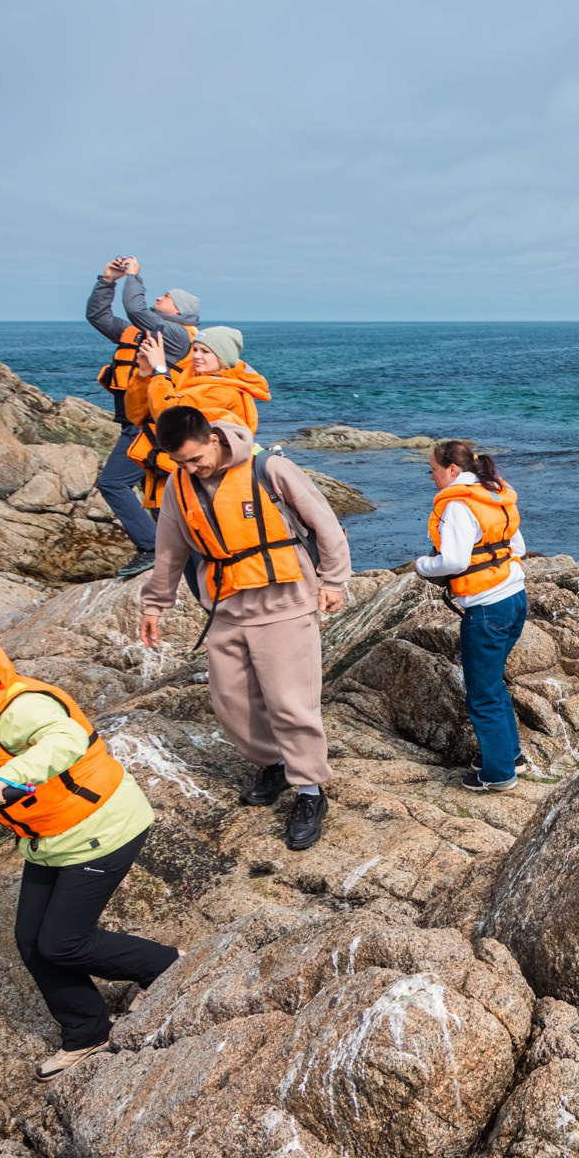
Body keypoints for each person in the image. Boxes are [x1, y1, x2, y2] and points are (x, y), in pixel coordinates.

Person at [0, 638, 178, 1080]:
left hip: (102, 828)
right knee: (32, 942)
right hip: (50, 839)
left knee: (63, 942)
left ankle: (166, 967)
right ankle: (88, 1032)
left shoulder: (19, 706)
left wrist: (10, 776)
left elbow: (65, 737)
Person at [138, 408, 351, 850]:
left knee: (291, 703)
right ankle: (273, 761)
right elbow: (169, 551)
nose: (191, 469)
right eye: (181, 463)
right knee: (231, 700)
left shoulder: (270, 468)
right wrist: (155, 605)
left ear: (212, 439)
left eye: (195, 459)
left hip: (285, 602)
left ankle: (310, 791)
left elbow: (325, 523)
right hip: (227, 606)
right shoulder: (179, 485)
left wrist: (334, 580)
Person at [417, 441, 528, 792]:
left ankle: (498, 775)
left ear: (451, 469)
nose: (431, 475)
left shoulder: (458, 504)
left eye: (433, 469)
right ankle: (510, 755)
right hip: (515, 597)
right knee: (493, 683)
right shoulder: (493, 494)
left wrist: (421, 566)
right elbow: (519, 548)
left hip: (486, 608)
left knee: (481, 693)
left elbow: (453, 561)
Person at [86, 257, 200, 576]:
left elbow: (136, 309)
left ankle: (150, 547)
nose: (157, 298)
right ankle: (174, 552)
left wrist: (134, 276)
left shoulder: (176, 335)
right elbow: (98, 316)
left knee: (112, 483)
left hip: (150, 427)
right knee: (158, 494)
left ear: (177, 311)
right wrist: (107, 280)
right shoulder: (140, 334)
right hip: (137, 424)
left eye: (165, 296)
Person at [132, 327, 269, 510]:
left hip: (200, 490)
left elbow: (171, 420)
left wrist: (159, 371)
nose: (196, 356)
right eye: (195, 349)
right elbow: (136, 414)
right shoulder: (190, 382)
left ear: (222, 356)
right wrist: (144, 373)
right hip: (171, 480)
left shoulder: (223, 393)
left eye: (205, 351)